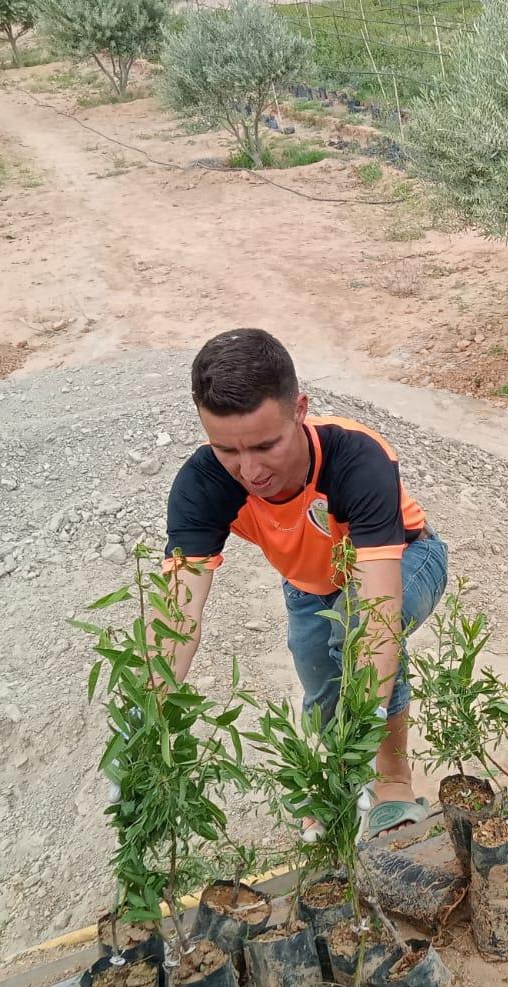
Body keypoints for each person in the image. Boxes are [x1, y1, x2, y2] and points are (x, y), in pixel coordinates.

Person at [164, 328, 449, 834]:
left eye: (265, 445)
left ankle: (391, 782)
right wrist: (145, 714)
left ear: (300, 409)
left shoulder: (356, 457)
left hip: (410, 557)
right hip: (310, 584)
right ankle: (332, 779)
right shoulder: (204, 484)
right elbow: (177, 617)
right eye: (227, 448)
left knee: (355, 630)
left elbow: (379, 614)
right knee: (319, 677)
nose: (249, 470)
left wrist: (360, 734)